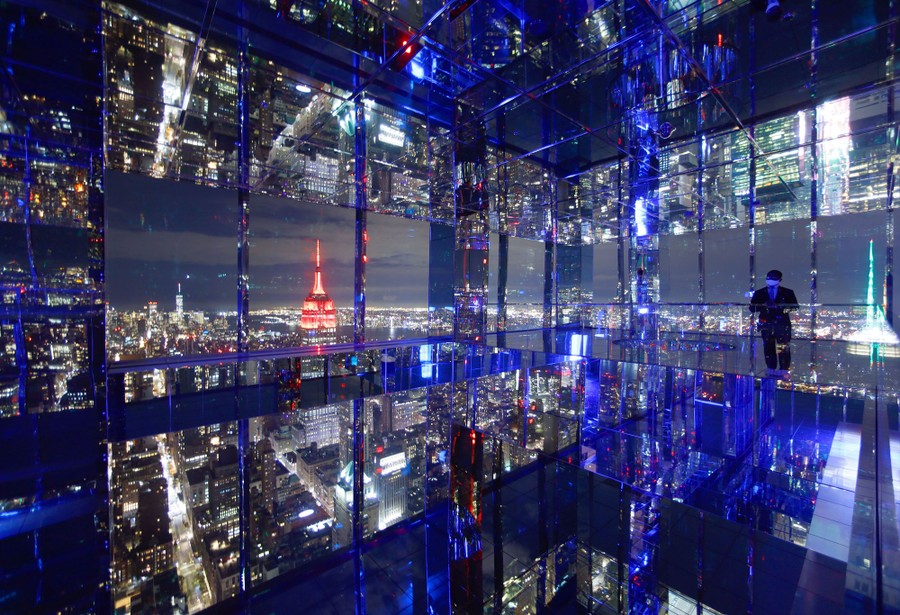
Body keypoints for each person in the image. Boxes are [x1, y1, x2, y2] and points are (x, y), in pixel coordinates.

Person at [749, 270, 798, 371]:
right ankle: (770, 369)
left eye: (773, 278)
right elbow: (752, 308)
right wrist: (763, 305)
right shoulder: (759, 293)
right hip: (766, 325)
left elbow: (795, 307)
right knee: (768, 348)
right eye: (768, 277)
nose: (770, 280)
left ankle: (783, 370)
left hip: (782, 325)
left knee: (783, 348)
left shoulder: (788, 292)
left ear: (780, 280)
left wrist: (780, 307)